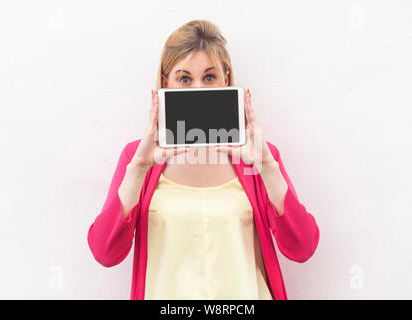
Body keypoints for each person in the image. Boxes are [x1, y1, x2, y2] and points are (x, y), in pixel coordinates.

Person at [87, 19, 320, 300]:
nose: (198, 89)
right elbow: (105, 254)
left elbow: (303, 248)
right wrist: (136, 170)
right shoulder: (139, 158)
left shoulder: (256, 156)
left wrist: (269, 168)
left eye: (209, 77)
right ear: (166, 84)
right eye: (184, 79)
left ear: (226, 79)